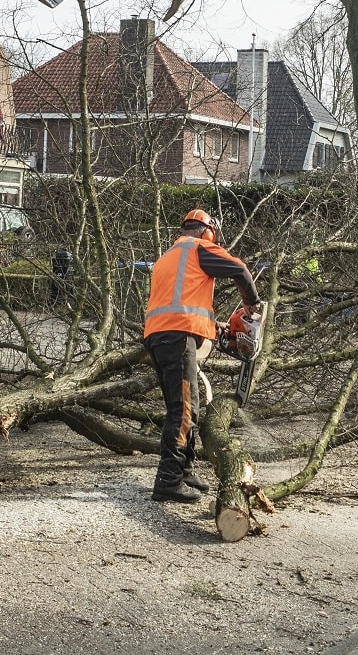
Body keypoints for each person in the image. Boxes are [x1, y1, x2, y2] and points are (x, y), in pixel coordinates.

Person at [143, 207, 260, 503]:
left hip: (159, 336)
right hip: (177, 338)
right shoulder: (197, 248)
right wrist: (251, 304)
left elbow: (179, 304)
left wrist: (214, 327)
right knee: (184, 410)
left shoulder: (167, 257)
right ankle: (168, 481)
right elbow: (240, 270)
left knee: (183, 406)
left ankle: (185, 469)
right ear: (208, 232)